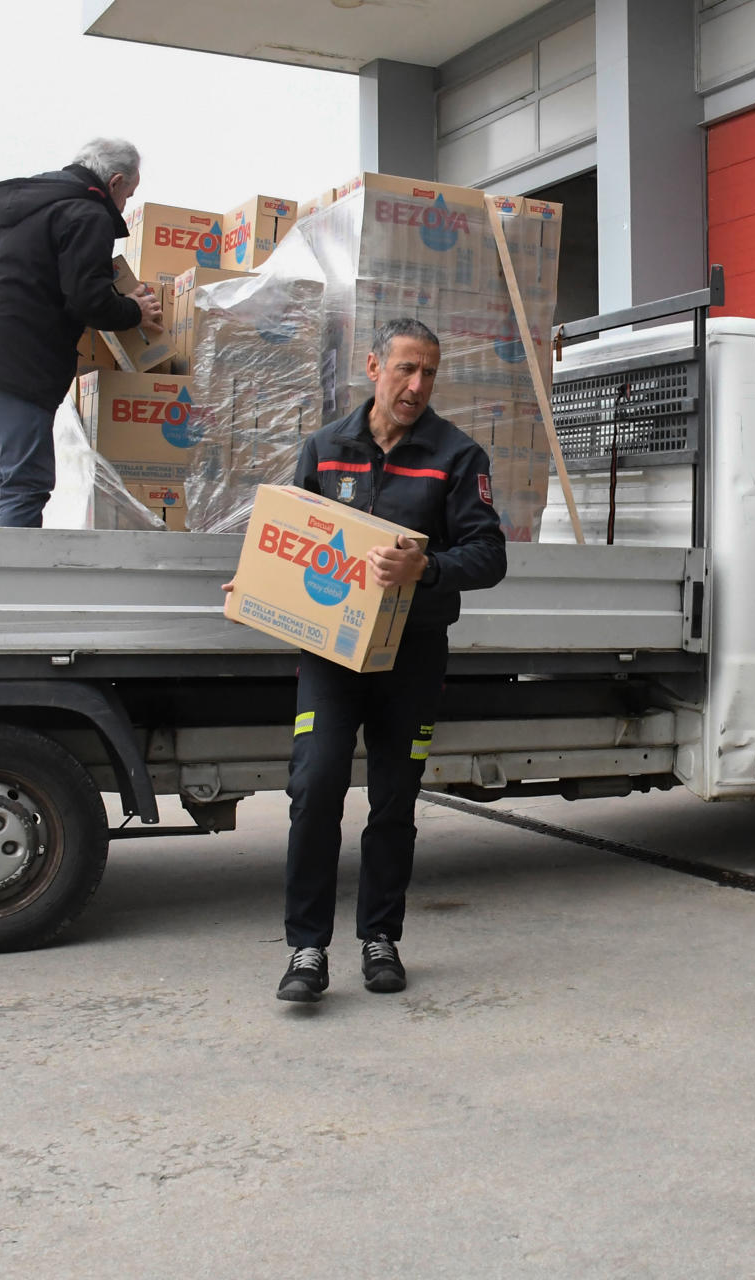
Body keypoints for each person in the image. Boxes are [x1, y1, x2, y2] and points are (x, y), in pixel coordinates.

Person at [264, 318, 508, 1002]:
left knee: (393, 800)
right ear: (373, 367)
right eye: (405, 369)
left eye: (428, 372)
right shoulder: (325, 449)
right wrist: (260, 581)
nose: (416, 385)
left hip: (413, 656)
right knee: (315, 787)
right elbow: (290, 538)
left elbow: (489, 557)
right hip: (331, 655)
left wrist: (425, 567)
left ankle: (381, 938)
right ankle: (307, 948)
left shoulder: (456, 457)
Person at [0, 138, 164, 527]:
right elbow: (87, 300)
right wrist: (134, 309)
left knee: (7, 481)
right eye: (129, 194)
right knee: (26, 482)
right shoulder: (87, 214)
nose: (126, 205)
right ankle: (15, 584)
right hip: (19, 360)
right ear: (114, 183)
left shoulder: (18, 207)